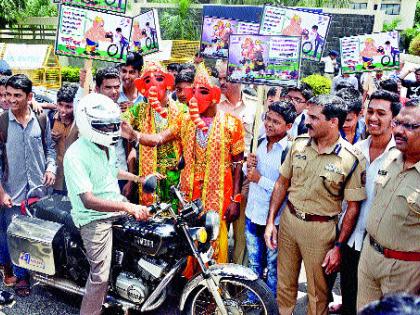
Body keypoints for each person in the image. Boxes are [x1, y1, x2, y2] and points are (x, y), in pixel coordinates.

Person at [122, 64, 244, 275]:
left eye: (203, 92)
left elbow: (237, 165)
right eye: (194, 92)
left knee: (214, 244)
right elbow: (159, 139)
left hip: (218, 195)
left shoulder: (232, 124)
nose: (196, 97)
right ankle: (191, 290)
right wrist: (135, 135)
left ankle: (214, 295)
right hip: (188, 196)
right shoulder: (185, 120)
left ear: (215, 95)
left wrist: (235, 199)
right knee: (188, 242)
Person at [264, 94, 366, 315]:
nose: (307, 121)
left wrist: (338, 247)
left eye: (314, 117)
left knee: (317, 294)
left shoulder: (350, 158)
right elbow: (282, 183)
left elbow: (353, 207)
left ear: (333, 122)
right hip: (290, 223)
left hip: (321, 231)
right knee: (285, 285)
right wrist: (271, 221)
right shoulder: (299, 144)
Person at [64, 93, 150, 315]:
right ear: (87, 124)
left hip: (116, 206)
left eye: (114, 125)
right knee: (100, 275)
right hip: (93, 218)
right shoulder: (75, 155)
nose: (112, 130)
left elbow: (111, 171)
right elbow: (88, 200)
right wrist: (128, 206)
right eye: (105, 126)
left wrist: (138, 179)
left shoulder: (106, 147)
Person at [339, 89, 400, 315]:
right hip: (350, 240)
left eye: (381, 113)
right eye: (370, 111)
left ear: (393, 119)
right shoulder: (356, 151)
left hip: (380, 249)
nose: (373, 118)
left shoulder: (401, 158)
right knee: (349, 300)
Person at [357, 97, 420, 310]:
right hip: (369, 257)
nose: (400, 131)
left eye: (409, 126)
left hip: (406, 272)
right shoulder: (390, 157)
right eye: (398, 123)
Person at [0, 74, 56, 296]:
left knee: (35, 233)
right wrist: (1, 191)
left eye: (17, 96)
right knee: (13, 235)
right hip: (12, 192)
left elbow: (50, 148)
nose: (11, 100)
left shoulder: (41, 119)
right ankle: (20, 276)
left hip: (39, 191)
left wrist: (51, 168)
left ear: (30, 97)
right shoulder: (2, 122)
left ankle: (38, 271)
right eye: (9, 95)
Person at [243, 101, 296, 297]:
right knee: (254, 266)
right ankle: (252, 301)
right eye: (268, 119)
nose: (269, 124)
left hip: (275, 222)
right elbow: (249, 173)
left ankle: (271, 304)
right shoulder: (259, 143)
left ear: (288, 126)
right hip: (252, 215)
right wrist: (247, 166)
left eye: (276, 121)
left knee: (273, 269)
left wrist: (259, 179)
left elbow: (287, 188)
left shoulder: (288, 151)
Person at [125, 61, 185, 208]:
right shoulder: (139, 110)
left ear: (167, 83)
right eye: (147, 80)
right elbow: (119, 121)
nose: (153, 84)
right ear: (144, 88)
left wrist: (135, 135)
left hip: (174, 179)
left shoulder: (182, 111)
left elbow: (160, 139)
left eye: (158, 78)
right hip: (148, 178)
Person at [51, 84, 79, 194]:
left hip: (76, 179)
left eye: (68, 106)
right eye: (60, 105)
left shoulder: (80, 123)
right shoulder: (51, 118)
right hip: (56, 178)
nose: (63, 110)